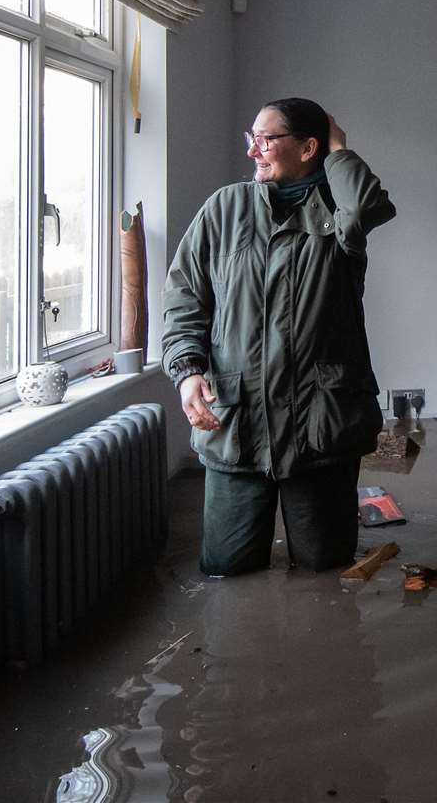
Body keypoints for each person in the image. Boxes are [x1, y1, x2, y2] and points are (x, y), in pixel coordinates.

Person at [162, 98, 395, 575]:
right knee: (226, 570)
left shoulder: (338, 210)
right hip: (236, 422)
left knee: (324, 570)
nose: (253, 151)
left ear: (308, 147)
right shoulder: (224, 209)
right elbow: (185, 298)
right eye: (252, 138)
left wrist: (339, 150)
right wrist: (187, 372)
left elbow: (370, 204)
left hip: (319, 427)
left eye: (266, 140)